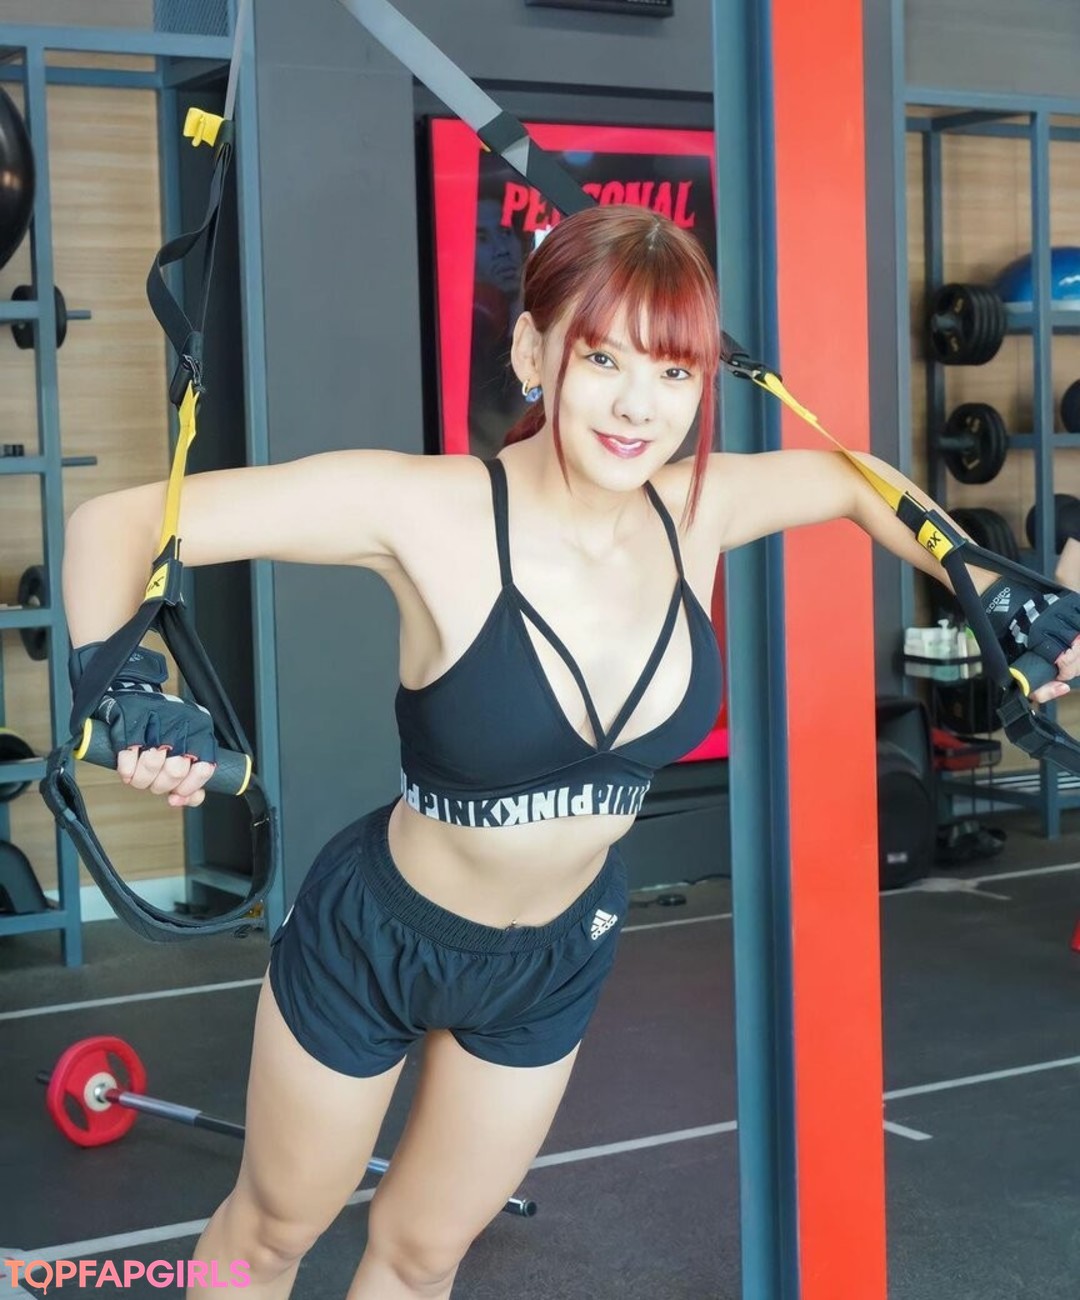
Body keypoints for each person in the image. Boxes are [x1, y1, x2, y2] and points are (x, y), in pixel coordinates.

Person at [62, 204, 1080, 1300]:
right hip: (378, 939)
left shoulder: (698, 509)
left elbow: (853, 477)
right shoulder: (430, 509)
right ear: (531, 350)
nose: (640, 405)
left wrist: (985, 584)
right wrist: (124, 690)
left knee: (423, 1255)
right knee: (270, 1237)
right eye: (604, 359)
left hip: (555, 958)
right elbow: (115, 525)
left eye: (674, 372)